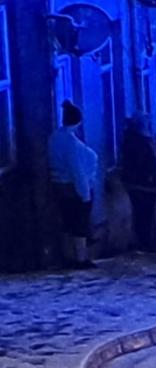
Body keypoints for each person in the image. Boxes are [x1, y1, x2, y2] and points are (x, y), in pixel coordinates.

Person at [48, 101, 99, 269]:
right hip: (72, 188)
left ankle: (67, 255)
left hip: (58, 186)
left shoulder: (55, 137)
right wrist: (85, 194)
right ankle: (80, 258)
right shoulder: (71, 144)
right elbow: (77, 171)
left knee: (67, 222)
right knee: (79, 224)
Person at [119, 115, 156, 253]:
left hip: (144, 184)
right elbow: (140, 163)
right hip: (142, 185)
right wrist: (149, 178)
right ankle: (144, 242)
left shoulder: (136, 139)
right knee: (144, 214)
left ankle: (147, 241)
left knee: (145, 214)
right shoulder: (136, 141)